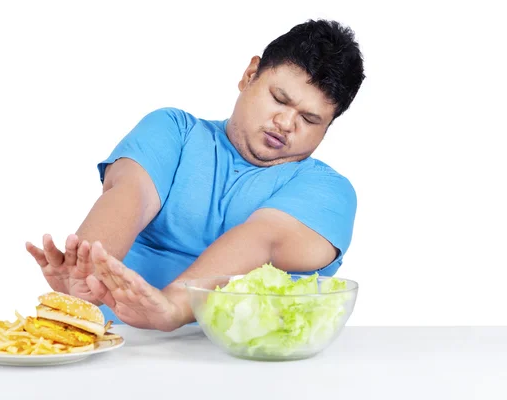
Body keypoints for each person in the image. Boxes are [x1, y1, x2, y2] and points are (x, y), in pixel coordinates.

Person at [25, 19, 365, 332]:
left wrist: (175, 304)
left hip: (247, 367)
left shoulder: (329, 190)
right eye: (279, 99)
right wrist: (87, 274)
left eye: (309, 119)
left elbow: (261, 238)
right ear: (250, 76)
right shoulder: (173, 129)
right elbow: (130, 193)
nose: (286, 123)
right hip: (116, 345)